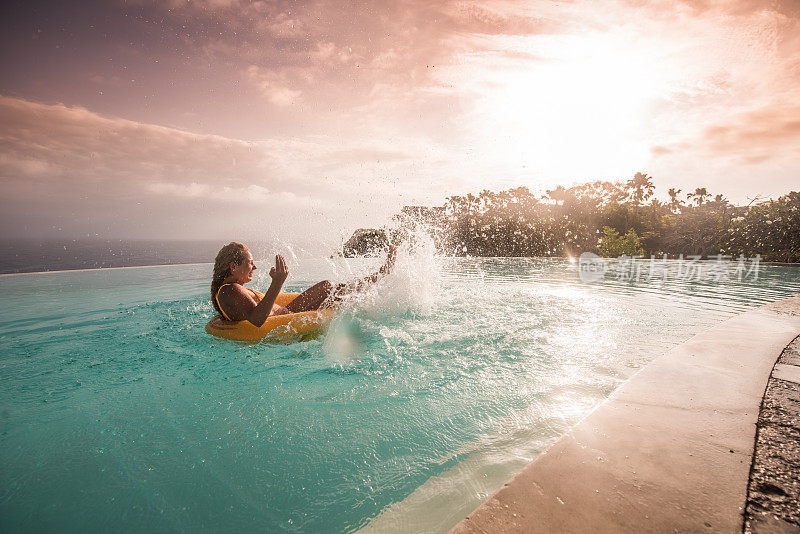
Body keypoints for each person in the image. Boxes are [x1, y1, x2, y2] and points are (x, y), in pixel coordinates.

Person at [211, 242, 396, 327]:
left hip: (289, 312)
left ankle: (379, 276)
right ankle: (380, 276)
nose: (255, 267)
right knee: (331, 289)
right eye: (250, 263)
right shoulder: (230, 291)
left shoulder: (230, 290)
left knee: (327, 286)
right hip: (290, 318)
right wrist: (277, 283)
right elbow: (257, 320)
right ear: (233, 266)